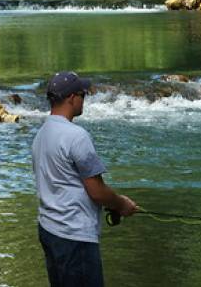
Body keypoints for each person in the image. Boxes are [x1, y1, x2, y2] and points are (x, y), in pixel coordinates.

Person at [32, 71, 138, 287]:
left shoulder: (41, 134)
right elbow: (97, 191)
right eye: (84, 95)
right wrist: (122, 204)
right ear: (72, 97)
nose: (84, 100)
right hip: (74, 236)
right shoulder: (76, 136)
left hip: (49, 229)